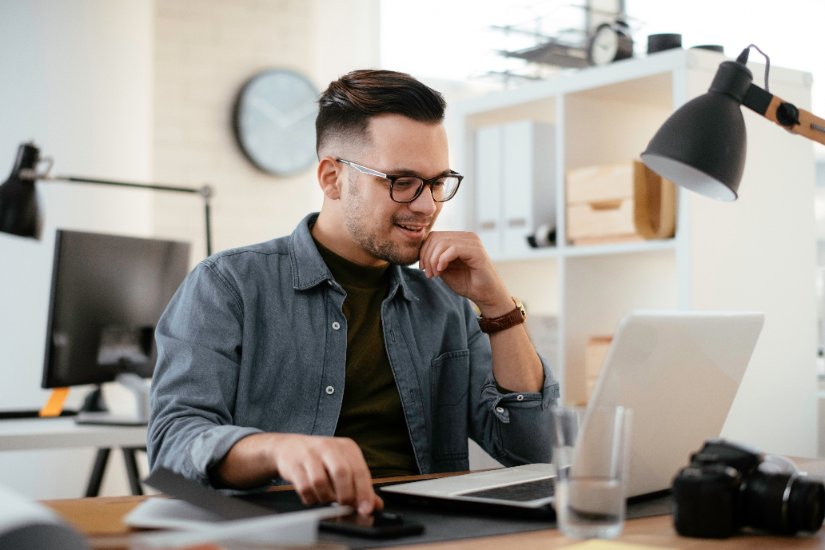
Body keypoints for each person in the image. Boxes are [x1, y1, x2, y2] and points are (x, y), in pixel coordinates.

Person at [148, 69, 559, 518]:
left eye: (437, 183)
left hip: (426, 533)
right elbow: (173, 444)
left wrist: (498, 306)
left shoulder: (447, 303)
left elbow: (534, 453)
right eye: (401, 181)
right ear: (332, 178)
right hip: (283, 532)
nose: (427, 205)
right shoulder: (228, 286)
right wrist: (275, 449)